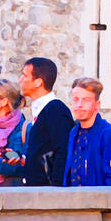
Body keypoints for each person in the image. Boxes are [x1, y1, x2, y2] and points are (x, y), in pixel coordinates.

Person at [63, 77, 111, 186]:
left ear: (97, 104)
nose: (79, 104)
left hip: (100, 201)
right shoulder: (74, 133)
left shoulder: (109, 134)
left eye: (86, 100)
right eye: (76, 99)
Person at [20, 57, 73, 186]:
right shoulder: (43, 109)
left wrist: (54, 192)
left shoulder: (56, 110)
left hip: (47, 194)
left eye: (24, 76)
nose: (20, 80)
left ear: (38, 82)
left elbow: (62, 153)